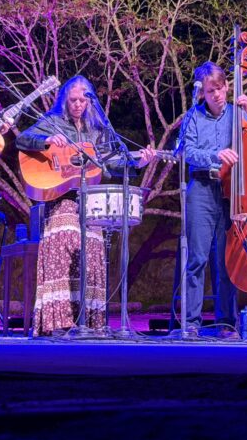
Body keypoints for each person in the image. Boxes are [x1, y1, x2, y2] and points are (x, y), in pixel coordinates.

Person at [16, 75, 155, 335]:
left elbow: (111, 163)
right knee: (67, 240)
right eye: (73, 100)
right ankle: (58, 321)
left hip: (89, 202)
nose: (78, 105)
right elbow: (22, 139)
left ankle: (88, 321)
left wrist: (138, 162)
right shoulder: (53, 122)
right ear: (64, 101)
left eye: (82, 100)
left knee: (91, 251)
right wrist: (47, 141)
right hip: (62, 200)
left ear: (90, 102)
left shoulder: (98, 131)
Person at [177, 61, 247, 339]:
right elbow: (184, 151)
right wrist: (214, 155)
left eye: (219, 88)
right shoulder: (194, 116)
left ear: (227, 87)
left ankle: (227, 323)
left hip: (231, 193)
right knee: (197, 258)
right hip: (201, 189)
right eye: (210, 91)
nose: (216, 95)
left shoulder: (238, 115)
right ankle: (191, 323)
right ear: (202, 93)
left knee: (227, 262)